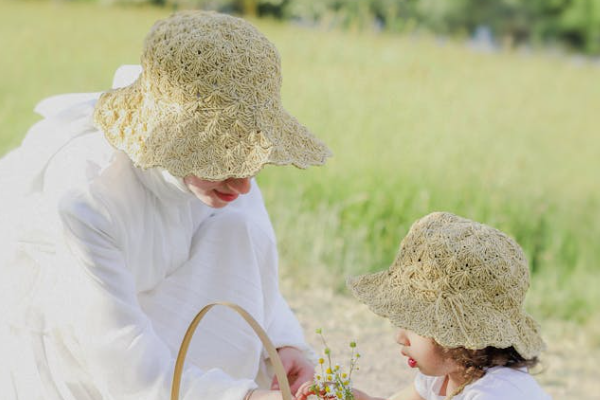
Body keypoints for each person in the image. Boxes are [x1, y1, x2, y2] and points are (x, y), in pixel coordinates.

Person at [0, 10, 331, 400]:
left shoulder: (226, 180)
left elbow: (252, 264)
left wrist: (282, 343)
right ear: (174, 143)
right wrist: (246, 397)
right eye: (224, 160)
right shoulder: (87, 197)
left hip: (153, 326)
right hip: (84, 360)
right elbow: (123, 362)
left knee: (239, 228)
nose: (243, 184)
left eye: (252, 161)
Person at [296, 212, 552, 400]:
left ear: (463, 335)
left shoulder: (497, 394)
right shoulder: (447, 375)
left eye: (415, 323)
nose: (400, 337)